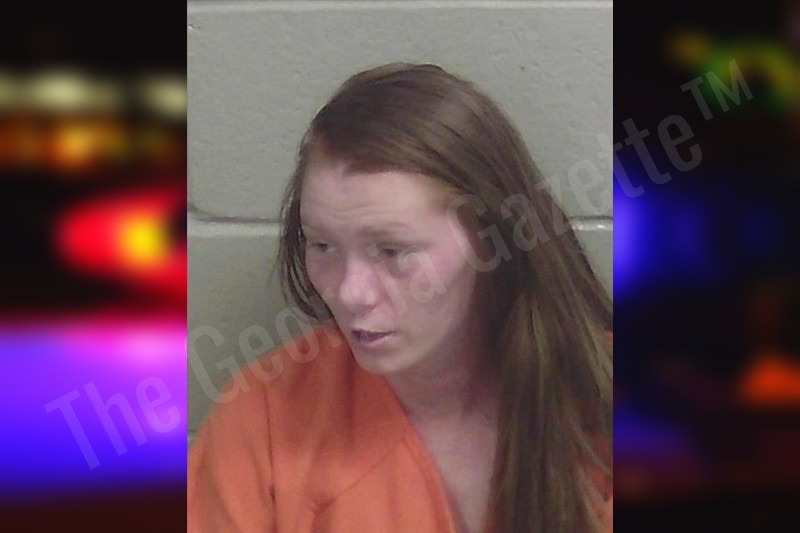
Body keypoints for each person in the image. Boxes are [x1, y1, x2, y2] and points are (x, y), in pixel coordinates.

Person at [188, 63, 612, 532]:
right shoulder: (262, 419)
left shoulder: (605, 396)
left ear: (491, 240)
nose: (350, 292)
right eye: (322, 245)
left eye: (392, 251)